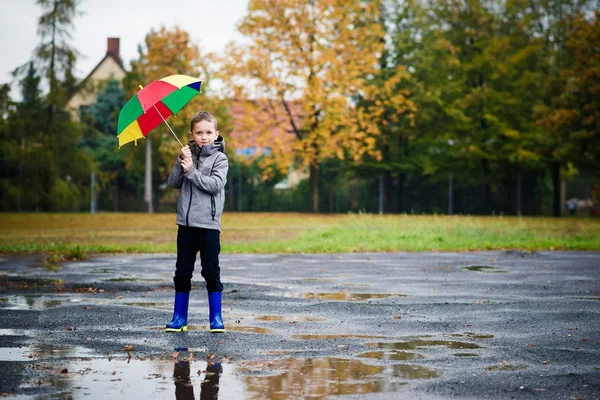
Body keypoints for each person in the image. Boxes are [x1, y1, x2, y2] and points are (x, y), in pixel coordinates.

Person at [165, 111, 229, 333]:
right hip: (186, 225)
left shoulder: (220, 159)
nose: (204, 136)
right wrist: (181, 162)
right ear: (191, 134)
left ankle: (216, 318)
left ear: (216, 134)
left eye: (209, 132)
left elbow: (214, 185)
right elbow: (173, 182)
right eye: (199, 132)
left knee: (211, 270)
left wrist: (191, 171)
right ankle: (179, 317)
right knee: (182, 271)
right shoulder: (187, 155)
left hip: (209, 226)